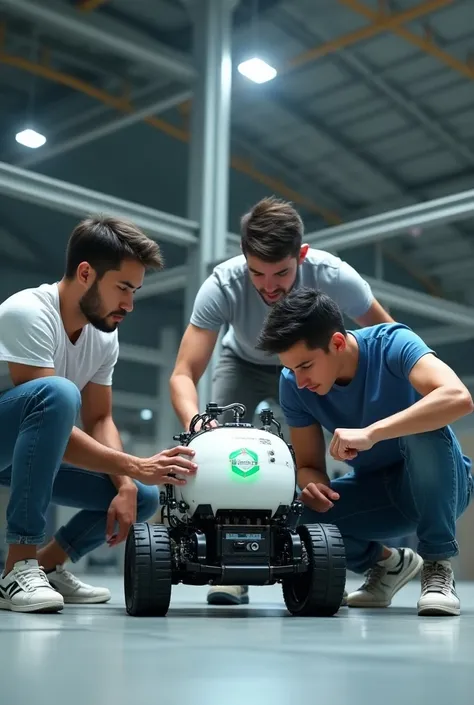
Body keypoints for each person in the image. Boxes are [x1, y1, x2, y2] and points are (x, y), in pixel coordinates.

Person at [169, 196, 394, 606]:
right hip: (244, 361)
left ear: (302, 255)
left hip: (313, 366)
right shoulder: (222, 284)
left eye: (282, 273)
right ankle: (230, 569)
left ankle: (346, 561)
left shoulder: (334, 275)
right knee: (224, 457)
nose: (269, 287)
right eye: (257, 273)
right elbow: (184, 372)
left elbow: (389, 336)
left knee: (312, 473)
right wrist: (199, 422)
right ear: (243, 259)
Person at [0, 216, 196, 613]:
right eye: (123, 288)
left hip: (26, 450)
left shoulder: (104, 334)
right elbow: (43, 409)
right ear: (86, 273)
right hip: (7, 434)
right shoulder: (27, 311)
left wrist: (127, 480)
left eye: (135, 291)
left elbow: (100, 419)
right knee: (57, 393)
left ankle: (46, 565)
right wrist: (133, 463)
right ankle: (16, 566)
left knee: (140, 496)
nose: (130, 304)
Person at [256, 287, 474, 617]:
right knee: (296, 513)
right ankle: (387, 564)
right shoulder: (293, 384)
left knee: (422, 431)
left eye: (305, 366)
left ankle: (437, 567)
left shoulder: (394, 344)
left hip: (444, 484)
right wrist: (311, 484)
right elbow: (311, 465)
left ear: (338, 343)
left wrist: (373, 433)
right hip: (378, 492)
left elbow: (458, 397)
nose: (299, 381)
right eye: (291, 369)